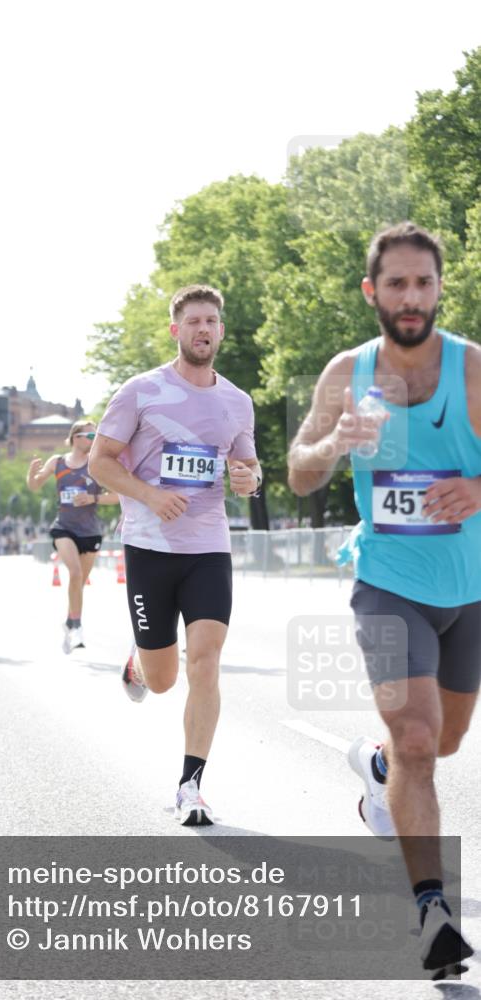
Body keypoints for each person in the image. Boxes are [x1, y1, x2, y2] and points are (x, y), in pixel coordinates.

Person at [287, 222, 480, 976]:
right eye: (395, 284)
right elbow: (300, 472)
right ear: (372, 291)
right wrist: (333, 441)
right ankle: (431, 913)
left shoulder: (471, 373)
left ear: (438, 289)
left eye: (422, 283)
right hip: (387, 584)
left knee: (444, 741)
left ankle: (374, 771)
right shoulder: (347, 372)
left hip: (470, 590)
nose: (410, 297)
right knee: (416, 740)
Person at [89, 285, 261, 826]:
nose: (203, 329)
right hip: (149, 547)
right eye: (193, 321)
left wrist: (248, 479)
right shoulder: (141, 391)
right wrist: (150, 495)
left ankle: (191, 785)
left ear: (221, 331)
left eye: (211, 320)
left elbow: (250, 471)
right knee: (164, 679)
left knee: (205, 661)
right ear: (176, 330)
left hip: (209, 546)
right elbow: (100, 462)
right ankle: (140, 663)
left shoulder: (238, 402)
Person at [26, 420, 119, 653]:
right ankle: (77, 625)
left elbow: (117, 496)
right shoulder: (57, 462)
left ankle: (70, 620)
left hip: (90, 531)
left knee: (78, 582)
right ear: (75, 437)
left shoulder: (97, 464)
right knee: (75, 572)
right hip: (64, 527)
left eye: (96, 434)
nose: (94, 438)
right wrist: (31, 474)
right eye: (90, 435)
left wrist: (93, 498)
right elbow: (35, 486)